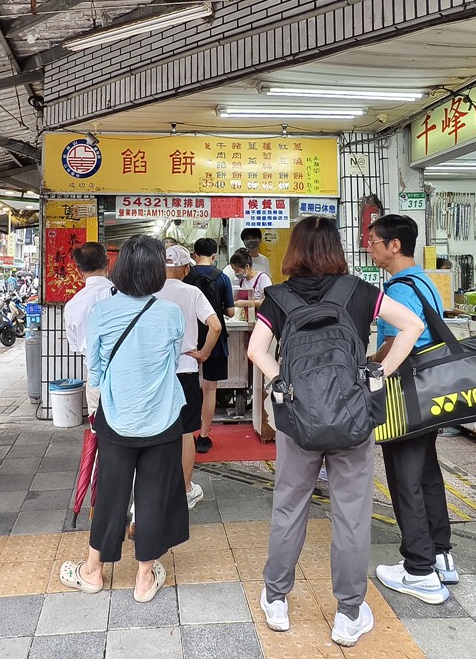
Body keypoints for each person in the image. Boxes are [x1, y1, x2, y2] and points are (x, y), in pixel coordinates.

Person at [246, 216, 424, 647]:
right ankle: (348, 613)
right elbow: (413, 326)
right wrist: (375, 373)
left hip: (297, 419)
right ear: (336, 249)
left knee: (289, 507)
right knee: (350, 513)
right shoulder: (360, 291)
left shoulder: (278, 296)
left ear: (295, 251)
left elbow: (256, 350)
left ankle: (276, 600)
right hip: (352, 417)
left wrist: (280, 382)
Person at [58, 235, 187, 604]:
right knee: (153, 494)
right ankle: (145, 578)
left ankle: (93, 571)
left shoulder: (101, 312)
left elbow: (96, 371)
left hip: (116, 418)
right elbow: (173, 361)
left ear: (122, 269)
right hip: (163, 419)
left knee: (112, 493)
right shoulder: (171, 313)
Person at [369, 214, 455, 605]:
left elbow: (402, 339)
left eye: (374, 241)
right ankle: (440, 554)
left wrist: (372, 361)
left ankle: (419, 570)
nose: (369, 247)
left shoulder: (398, 290)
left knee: (405, 478)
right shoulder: (423, 281)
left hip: (404, 391)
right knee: (426, 473)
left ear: (394, 245)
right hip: (430, 390)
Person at [155, 244, 221, 509]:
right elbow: (215, 325)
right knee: (185, 433)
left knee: (156, 430)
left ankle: (155, 487)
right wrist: (204, 353)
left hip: (155, 371)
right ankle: (185, 490)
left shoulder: (149, 290)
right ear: (184, 268)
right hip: (185, 370)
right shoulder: (192, 291)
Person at [186, 238, 236, 454]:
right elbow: (231, 312)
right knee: (209, 389)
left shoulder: (185, 276)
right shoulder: (222, 277)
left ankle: (186, 434)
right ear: (214, 255)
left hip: (189, 339)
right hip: (214, 339)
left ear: (194, 254)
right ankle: (204, 437)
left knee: (187, 387)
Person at [63, 242, 114, 416]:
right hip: (125, 371)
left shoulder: (72, 305)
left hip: (95, 375)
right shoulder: (122, 295)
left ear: (79, 270)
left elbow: (76, 346)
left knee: (97, 427)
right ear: (108, 263)